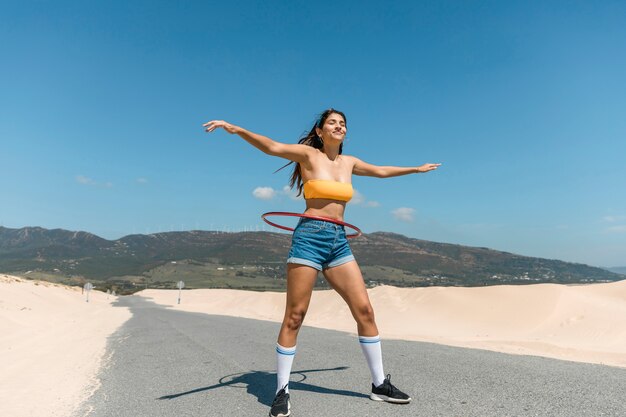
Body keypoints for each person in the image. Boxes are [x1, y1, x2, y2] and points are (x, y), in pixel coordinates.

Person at [203, 109, 440, 417]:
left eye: (343, 123)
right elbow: (271, 146)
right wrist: (235, 129)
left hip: (338, 240)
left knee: (365, 310)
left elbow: (381, 171)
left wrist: (416, 170)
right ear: (319, 130)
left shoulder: (349, 162)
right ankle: (281, 391)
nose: (339, 126)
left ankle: (379, 384)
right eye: (333, 123)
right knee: (295, 315)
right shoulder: (308, 156)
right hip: (310, 237)